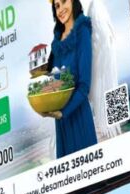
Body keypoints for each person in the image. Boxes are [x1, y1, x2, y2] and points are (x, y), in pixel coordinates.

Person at [43, 0, 98, 158]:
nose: (60, 9)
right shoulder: (56, 43)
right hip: (62, 125)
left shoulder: (82, 32)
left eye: (64, 2)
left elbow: (84, 86)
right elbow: (56, 81)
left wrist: (63, 113)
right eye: (56, 6)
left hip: (78, 117)